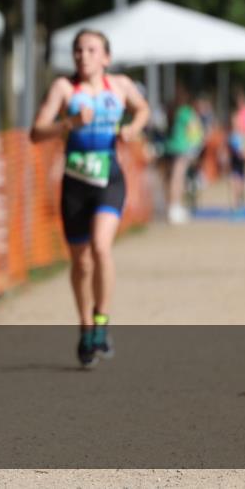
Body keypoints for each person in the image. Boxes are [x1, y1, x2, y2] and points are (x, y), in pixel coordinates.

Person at [29, 29, 149, 368]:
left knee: (101, 246)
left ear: (106, 57)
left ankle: (101, 321)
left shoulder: (121, 86)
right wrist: (68, 123)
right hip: (75, 183)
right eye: (78, 50)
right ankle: (84, 325)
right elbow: (36, 132)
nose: (83, 56)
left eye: (91, 50)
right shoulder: (64, 89)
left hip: (109, 178)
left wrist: (133, 127)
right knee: (80, 262)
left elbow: (143, 109)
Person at [163, 86, 205, 224]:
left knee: (169, 179)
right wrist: (197, 143)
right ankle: (175, 207)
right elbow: (194, 129)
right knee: (178, 178)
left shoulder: (173, 111)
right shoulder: (187, 112)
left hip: (169, 147)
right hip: (181, 148)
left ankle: (170, 206)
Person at [226, 90, 245, 212]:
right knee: (234, 179)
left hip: (243, 151)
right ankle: (235, 202)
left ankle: (239, 197)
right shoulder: (232, 134)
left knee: (241, 177)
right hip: (236, 156)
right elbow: (228, 145)